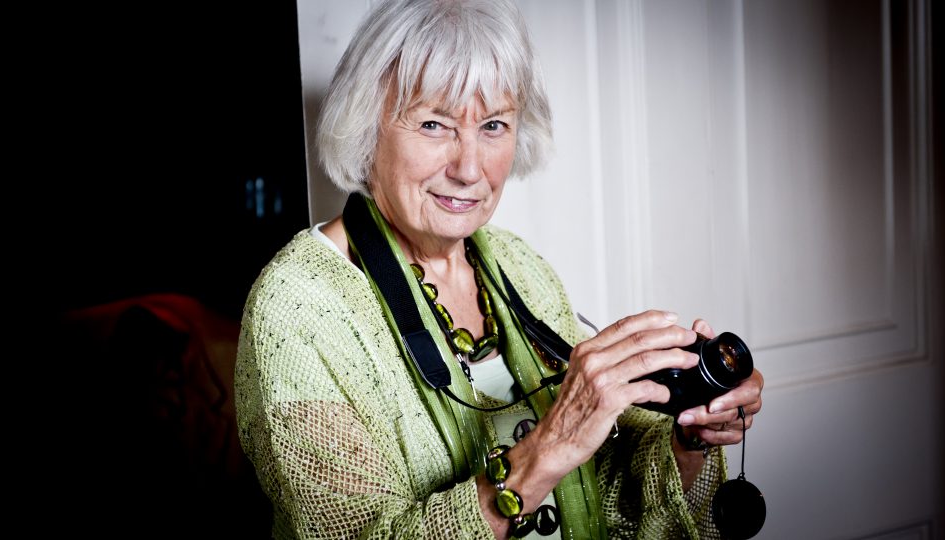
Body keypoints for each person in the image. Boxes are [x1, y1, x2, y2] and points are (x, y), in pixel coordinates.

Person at [234, 0, 765, 538]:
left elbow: (605, 499)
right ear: (366, 128)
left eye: (493, 125)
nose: (469, 169)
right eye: (434, 124)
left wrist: (690, 433)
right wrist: (546, 449)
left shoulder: (518, 266)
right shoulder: (299, 307)